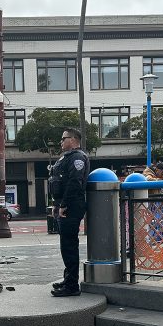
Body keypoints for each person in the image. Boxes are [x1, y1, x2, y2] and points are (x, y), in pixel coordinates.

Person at [49, 127, 89, 297]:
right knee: (66, 246)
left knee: (69, 246)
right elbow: (60, 183)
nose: (61, 142)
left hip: (72, 207)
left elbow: (74, 183)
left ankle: (72, 285)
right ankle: (68, 279)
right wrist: (56, 205)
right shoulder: (67, 157)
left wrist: (63, 205)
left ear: (72, 139)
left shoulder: (78, 157)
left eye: (63, 138)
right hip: (65, 206)